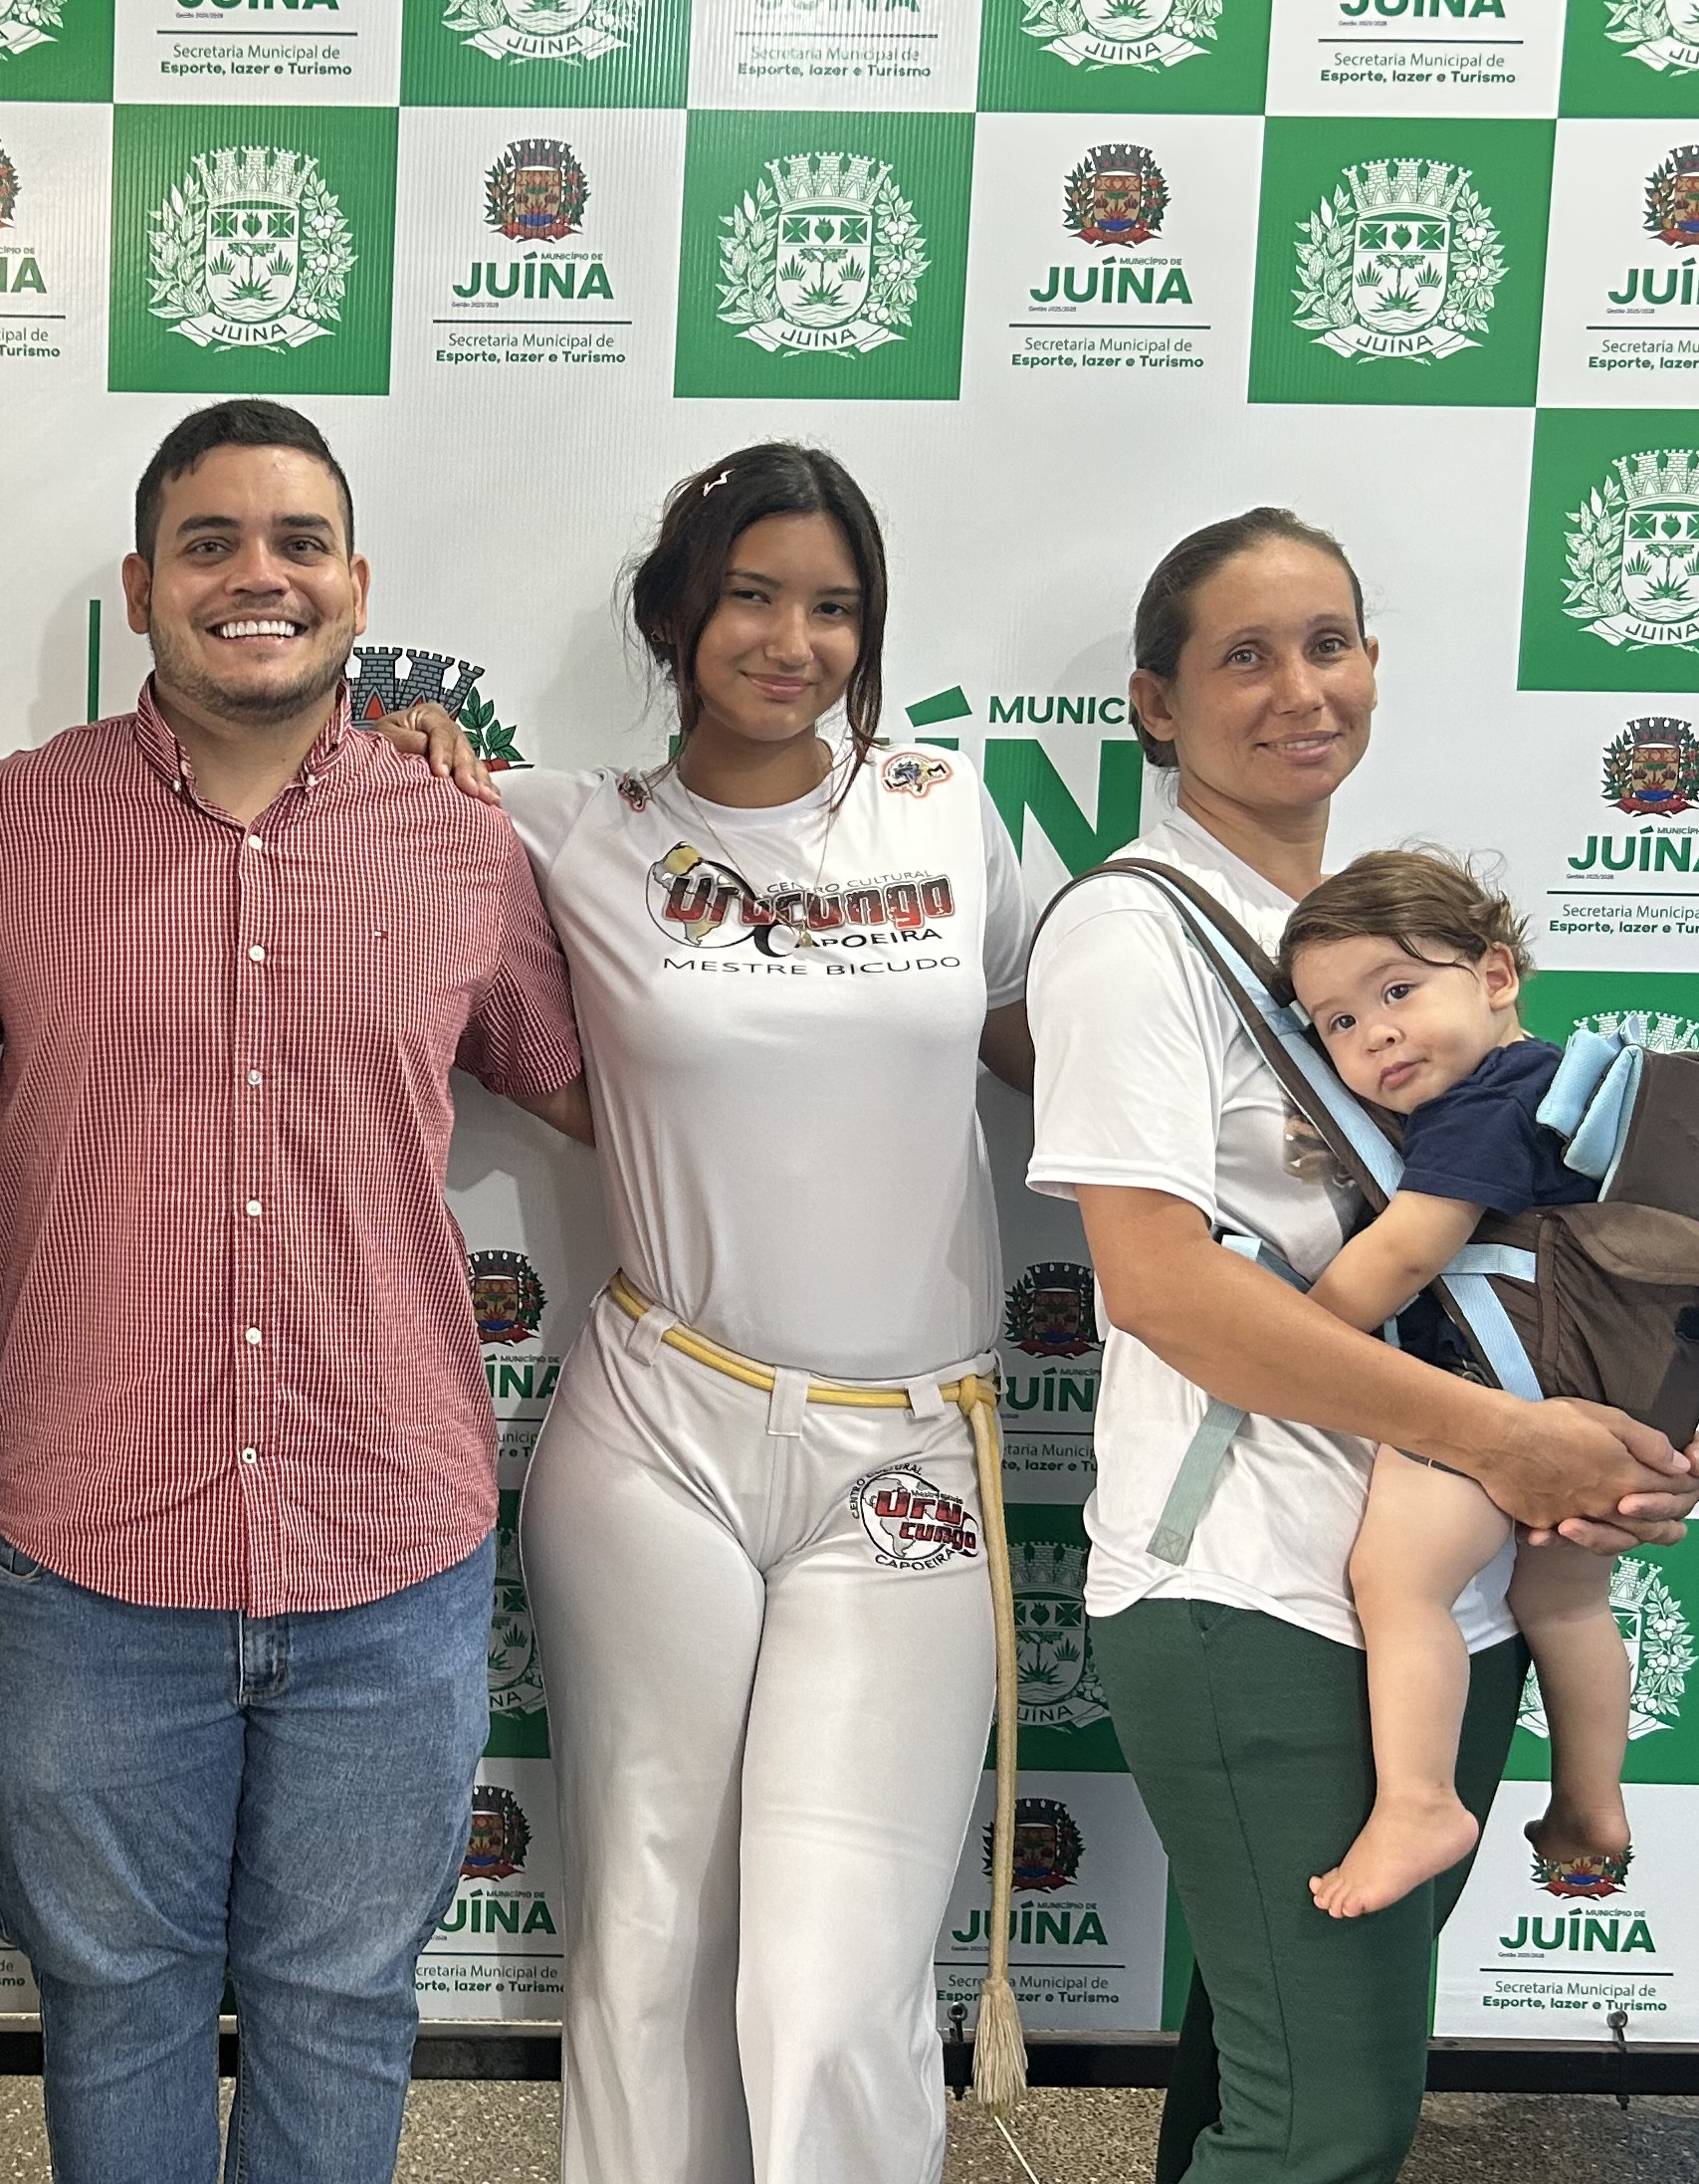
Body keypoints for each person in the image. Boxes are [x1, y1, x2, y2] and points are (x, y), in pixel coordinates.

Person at [0, 399, 588, 2184]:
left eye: (296, 542)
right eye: (209, 543)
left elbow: (598, 1090)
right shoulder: (12, 829)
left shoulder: (462, 841)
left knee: (342, 2003)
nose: (257, 575)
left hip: (388, 1545)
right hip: (93, 1551)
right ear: (141, 588)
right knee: (116, 2002)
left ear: (358, 586)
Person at [1023, 509, 1699, 2184]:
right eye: (1244, 655)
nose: (1299, 689)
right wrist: (1504, 1441)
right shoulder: (1131, 935)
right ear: (1156, 704)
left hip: (1449, 1578)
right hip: (1250, 1578)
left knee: (1268, 2079)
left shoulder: (1376, 939)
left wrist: (1617, 1435)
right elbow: (1162, 1290)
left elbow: (1520, 1250)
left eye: (1328, 642)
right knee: (1327, 2122)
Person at [380, 445, 1031, 2184]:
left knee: (830, 1985)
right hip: (658, 1427)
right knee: (651, 1933)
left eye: (833, 607)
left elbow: (1064, 1048)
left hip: (906, 1450)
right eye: (751, 595)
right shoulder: (562, 823)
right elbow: (201, 807)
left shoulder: (943, 805)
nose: (791, 640)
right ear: (676, 611)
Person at [1276, 851, 1655, 1918]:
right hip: (1595, 1394)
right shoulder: (1552, 1080)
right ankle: (1592, 1800)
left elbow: (1410, 1250)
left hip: (1492, 1393)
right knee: (1564, 1597)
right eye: (1339, 1023)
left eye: (1399, 990)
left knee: (1399, 1582)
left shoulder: (1484, 1105)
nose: (1376, 1034)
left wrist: (1295, 1340)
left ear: (1494, 975)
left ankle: (1419, 1802)